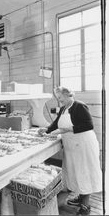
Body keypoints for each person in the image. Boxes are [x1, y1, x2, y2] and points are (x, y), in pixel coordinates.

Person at [38, 86, 102, 215]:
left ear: (68, 94)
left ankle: (85, 206)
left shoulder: (79, 106)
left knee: (84, 172)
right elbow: (56, 124)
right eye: (57, 97)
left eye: (60, 97)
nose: (59, 99)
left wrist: (68, 129)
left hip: (83, 144)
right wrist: (46, 130)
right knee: (75, 172)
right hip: (72, 146)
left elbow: (88, 125)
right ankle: (80, 197)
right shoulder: (63, 109)